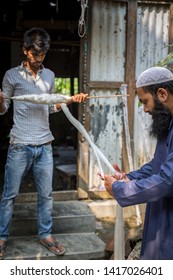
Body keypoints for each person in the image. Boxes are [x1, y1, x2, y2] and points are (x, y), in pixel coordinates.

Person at [0, 27, 88, 259]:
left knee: (46, 195)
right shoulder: (11, 76)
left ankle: (45, 234)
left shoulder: (49, 76)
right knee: (9, 195)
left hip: (45, 146)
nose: (39, 59)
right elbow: (3, 110)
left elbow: (50, 107)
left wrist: (68, 100)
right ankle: (1, 237)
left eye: (43, 55)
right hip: (19, 144)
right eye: (35, 54)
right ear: (25, 50)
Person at [104, 66, 173, 260]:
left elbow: (168, 180)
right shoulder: (168, 123)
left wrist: (120, 189)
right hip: (161, 213)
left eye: (145, 101)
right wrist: (128, 177)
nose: (145, 109)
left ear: (162, 93)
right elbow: (157, 164)